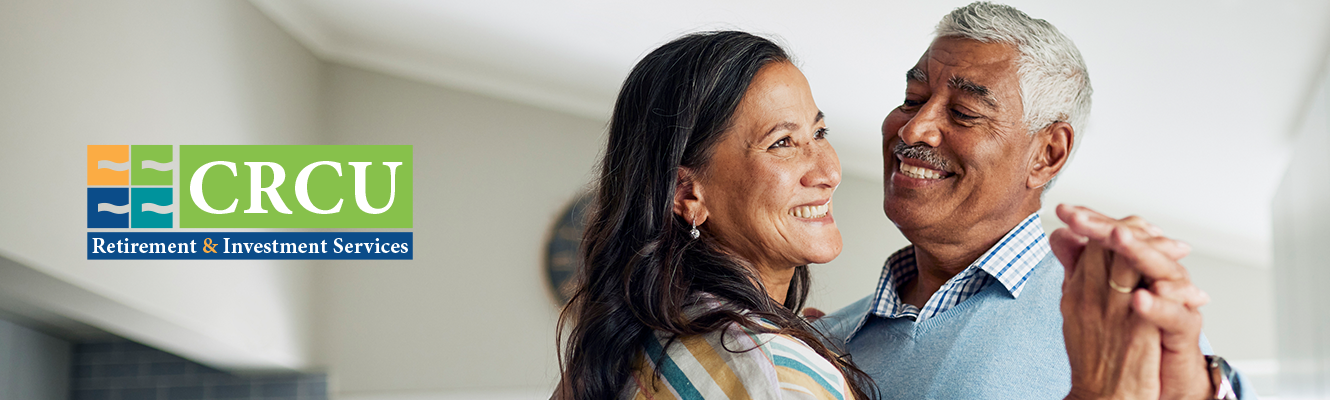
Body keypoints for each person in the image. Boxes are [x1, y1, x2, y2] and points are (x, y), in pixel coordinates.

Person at [817, 2, 1253, 399]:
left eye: (964, 112)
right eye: (913, 100)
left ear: (1047, 154)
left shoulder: (1110, 316)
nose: (914, 130)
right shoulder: (822, 343)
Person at [555, 31, 876, 400]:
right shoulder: (777, 375)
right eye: (782, 142)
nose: (829, 173)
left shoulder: (619, 353)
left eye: (820, 132)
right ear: (687, 193)